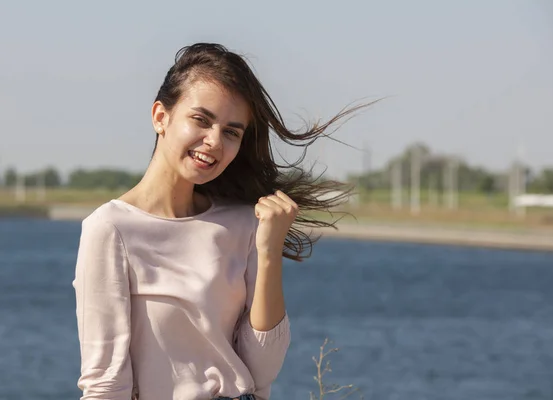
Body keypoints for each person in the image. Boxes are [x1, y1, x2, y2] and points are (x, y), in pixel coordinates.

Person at [72, 42, 369, 400]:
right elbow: (105, 384)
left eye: (231, 131)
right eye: (201, 119)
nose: (214, 141)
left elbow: (263, 371)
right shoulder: (110, 229)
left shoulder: (244, 223)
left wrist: (270, 248)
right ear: (160, 117)